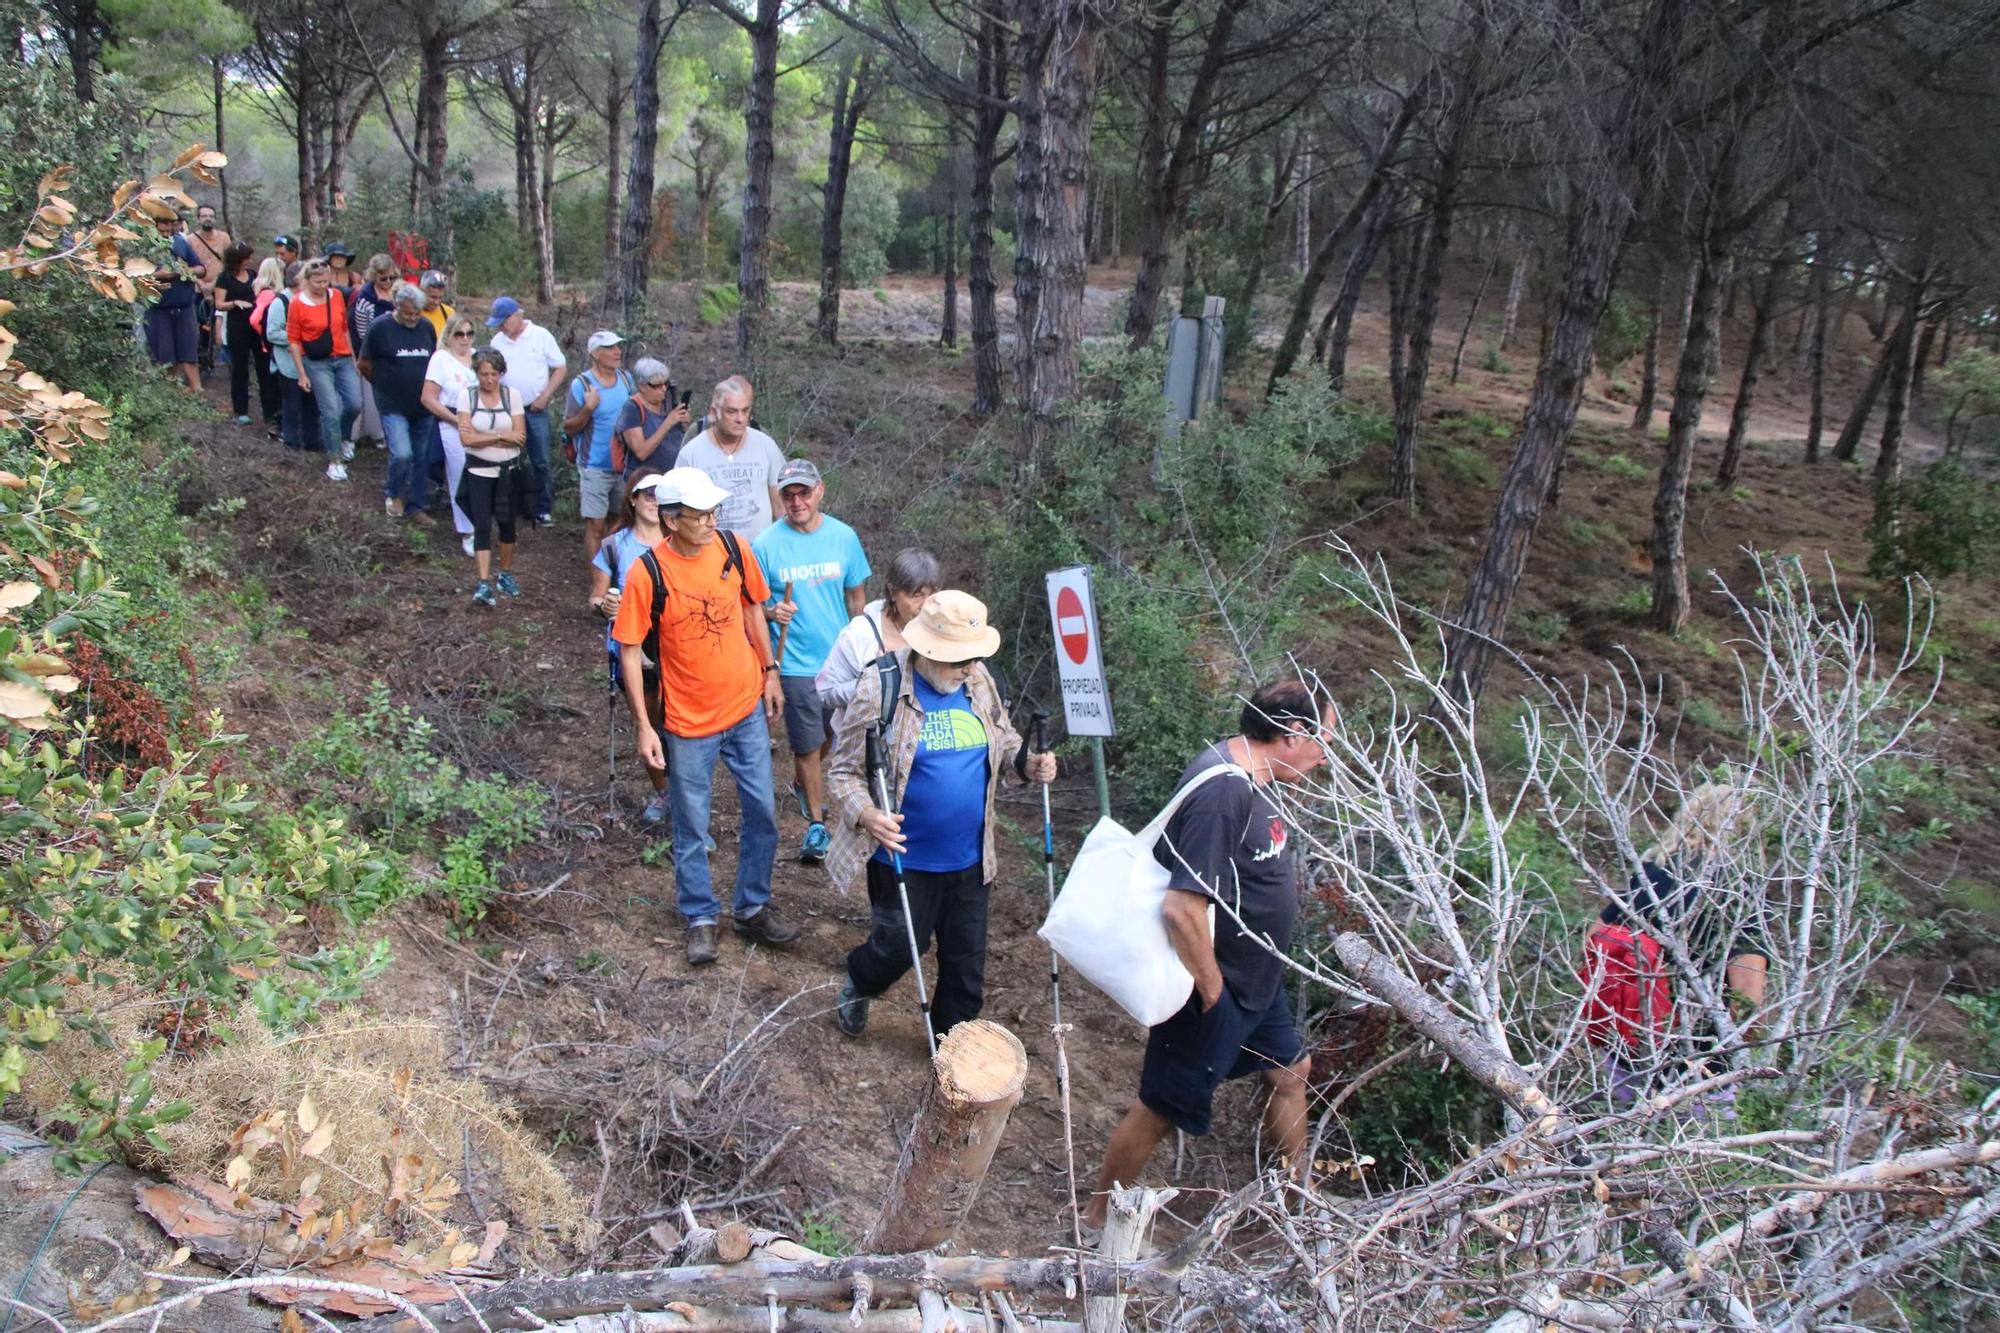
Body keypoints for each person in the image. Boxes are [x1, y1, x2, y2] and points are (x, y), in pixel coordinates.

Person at [1082, 678, 1332, 1235]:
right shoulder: (1224, 793)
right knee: (1161, 1106)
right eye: (1323, 742)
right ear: (1294, 733)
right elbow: (1181, 909)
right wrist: (1214, 993)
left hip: (1256, 981)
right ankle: (1096, 1221)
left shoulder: (1258, 777)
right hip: (1214, 986)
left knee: (1291, 1071)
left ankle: (1300, 1203)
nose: (1324, 757)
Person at [826, 590, 1057, 1041]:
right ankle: (860, 980)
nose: (968, 668)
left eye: (972, 658)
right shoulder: (881, 685)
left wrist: (1027, 763)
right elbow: (843, 771)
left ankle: (951, 1051)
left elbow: (1005, 741)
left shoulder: (979, 679)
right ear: (928, 650)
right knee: (895, 950)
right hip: (902, 859)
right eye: (958, 660)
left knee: (965, 967)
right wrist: (868, 814)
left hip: (970, 859)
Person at [611, 466, 798, 966]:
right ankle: (700, 916)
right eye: (700, 514)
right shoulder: (646, 572)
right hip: (688, 722)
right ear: (672, 520)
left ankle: (752, 907)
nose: (712, 519)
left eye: (715, 510)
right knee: (692, 824)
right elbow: (629, 650)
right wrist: (644, 725)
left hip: (744, 708)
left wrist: (770, 671)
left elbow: (754, 609)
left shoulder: (733, 547)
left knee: (763, 811)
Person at [1582, 784, 1768, 1114]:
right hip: (1700, 1068)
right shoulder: (1736, 893)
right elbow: (1748, 997)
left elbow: (1594, 939)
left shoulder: (1650, 874)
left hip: (1627, 1054)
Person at [752, 459, 871, 864]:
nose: (796, 501)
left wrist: (864, 647)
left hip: (839, 661)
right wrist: (772, 612)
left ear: (820, 490)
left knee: (832, 739)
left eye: (804, 492)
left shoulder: (843, 537)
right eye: (788, 494)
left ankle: (807, 782)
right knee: (806, 745)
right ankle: (817, 825)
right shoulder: (765, 544)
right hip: (795, 663)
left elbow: (856, 596)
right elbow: (751, 606)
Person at [590, 466, 673, 824]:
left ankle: (685, 796)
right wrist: (603, 605)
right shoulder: (613, 546)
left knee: (679, 725)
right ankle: (667, 794)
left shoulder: (678, 541)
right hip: (633, 646)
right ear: (634, 499)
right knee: (649, 720)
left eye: (660, 494)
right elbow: (596, 597)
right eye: (648, 494)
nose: (654, 502)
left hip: (677, 642)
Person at [815, 548, 940, 718]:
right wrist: (878, 683)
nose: (925, 605)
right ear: (892, 592)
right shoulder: (860, 634)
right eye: (916, 596)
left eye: (932, 595)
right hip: (867, 738)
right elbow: (826, 693)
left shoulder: (941, 628)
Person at [456, 349, 530, 608]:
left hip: (508, 470)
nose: (489, 380)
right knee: (482, 525)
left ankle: (505, 574)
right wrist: (500, 437)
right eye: (484, 374)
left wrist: (484, 436)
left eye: (494, 374)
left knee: (508, 523)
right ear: (477, 374)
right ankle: (483, 582)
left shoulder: (512, 396)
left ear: (501, 374)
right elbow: (466, 438)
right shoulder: (467, 396)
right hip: (478, 471)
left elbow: (519, 436)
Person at [358, 282, 439, 519]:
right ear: (397, 307)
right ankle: (393, 494)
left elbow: (434, 359)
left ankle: (417, 504)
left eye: (417, 313)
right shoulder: (380, 328)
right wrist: (382, 386)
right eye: (408, 313)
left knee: (420, 455)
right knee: (402, 452)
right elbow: (363, 363)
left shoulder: (426, 327)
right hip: (392, 404)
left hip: (423, 404)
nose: (413, 317)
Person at [486, 296, 567, 526]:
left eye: (504, 321)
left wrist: (545, 396)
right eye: (498, 323)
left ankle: (543, 509)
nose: (501, 327)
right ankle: (507, 506)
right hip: (506, 409)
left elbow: (560, 367)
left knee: (540, 459)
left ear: (516, 316)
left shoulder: (540, 336)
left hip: (535, 408)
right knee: (504, 458)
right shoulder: (498, 342)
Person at [677, 375, 787, 538]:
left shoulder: (765, 445)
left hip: (758, 553)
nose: (740, 419)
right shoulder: (691, 454)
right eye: (732, 412)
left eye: (745, 411)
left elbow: (781, 505)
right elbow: (680, 513)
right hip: (711, 554)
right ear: (715, 412)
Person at [287, 257, 364, 481]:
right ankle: (335, 460)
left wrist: (352, 357)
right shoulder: (297, 304)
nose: (322, 286)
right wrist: (301, 374)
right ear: (307, 280)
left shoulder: (337, 296)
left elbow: (344, 328)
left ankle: (344, 436)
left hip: (341, 357)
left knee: (353, 403)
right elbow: (293, 340)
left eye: (325, 281)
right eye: (317, 282)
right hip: (317, 362)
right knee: (329, 410)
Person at [562, 331, 634, 560]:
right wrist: (588, 408)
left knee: (619, 521)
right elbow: (569, 426)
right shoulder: (582, 384)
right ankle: (597, 581)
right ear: (595, 354)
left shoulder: (625, 379)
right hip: (594, 466)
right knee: (596, 524)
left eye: (617, 347)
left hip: (622, 465)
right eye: (610, 347)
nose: (617, 352)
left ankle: (613, 571)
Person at [422, 314, 481, 556]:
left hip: (481, 422)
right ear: (450, 335)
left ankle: (483, 524)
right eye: (459, 334)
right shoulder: (441, 359)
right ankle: (468, 530)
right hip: (453, 422)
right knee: (461, 475)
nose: (464, 339)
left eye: (469, 334)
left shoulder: (478, 357)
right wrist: (456, 420)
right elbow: (428, 397)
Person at [144, 212, 206, 392]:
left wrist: (183, 271)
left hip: (184, 307)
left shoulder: (181, 243)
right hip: (158, 310)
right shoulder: (144, 247)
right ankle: (170, 395)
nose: (165, 233)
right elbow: (135, 275)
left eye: (167, 229)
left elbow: (201, 268)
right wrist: (159, 275)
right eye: (160, 230)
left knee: (188, 352)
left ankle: (197, 391)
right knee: (165, 355)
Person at [263, 261, 321, 451]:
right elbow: (271, 333)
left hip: (310, 361)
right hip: (288, 364)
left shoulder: (311, 300)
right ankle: (291, 442)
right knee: (292, 405)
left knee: (311, 403)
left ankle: (312, 441)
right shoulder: (281, 302)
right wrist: (296, 339)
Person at [349, 255, 403, 449]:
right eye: (383, 278)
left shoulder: (399, 295)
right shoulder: (365, 300)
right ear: (374, 277)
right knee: (366, 396)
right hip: (371, 354)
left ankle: (382, 433)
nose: (388, 282)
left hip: (397, 354)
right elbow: (362, 333)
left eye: (391, 277)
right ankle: (355, 436)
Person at [212, 242, 264, 426]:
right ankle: (240, 410)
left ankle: (269, 409)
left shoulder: (253, 275)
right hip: (237, 326)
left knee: (262, 365)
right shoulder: (224, 278)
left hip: (256, 326)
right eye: (245, 258)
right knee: (240, 368)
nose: (249, 261)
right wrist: (235, 303)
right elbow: (218, 304)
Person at [615, 357, 693, 476]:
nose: (663, 389)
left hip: (673, 477)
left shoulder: (669, 402)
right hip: (645, 481)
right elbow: (641, 453)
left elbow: (684, 441)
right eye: (657, 385)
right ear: (642, 386)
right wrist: (668, 423)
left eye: (665, 383)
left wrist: (685, 424)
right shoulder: (632, 409)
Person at [249, 256, 288, 436]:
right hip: (267, 347)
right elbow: (255, 319)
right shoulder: (269, 294)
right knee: (272, 384)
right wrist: (266, 337)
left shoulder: (261, 291)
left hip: (265, 345)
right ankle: (275, 420)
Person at [419, 271, 455, 338]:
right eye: (433, 297)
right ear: (421, 291)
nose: (437, 302)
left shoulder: (449, 313)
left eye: (440, 298)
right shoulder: (412, 313)